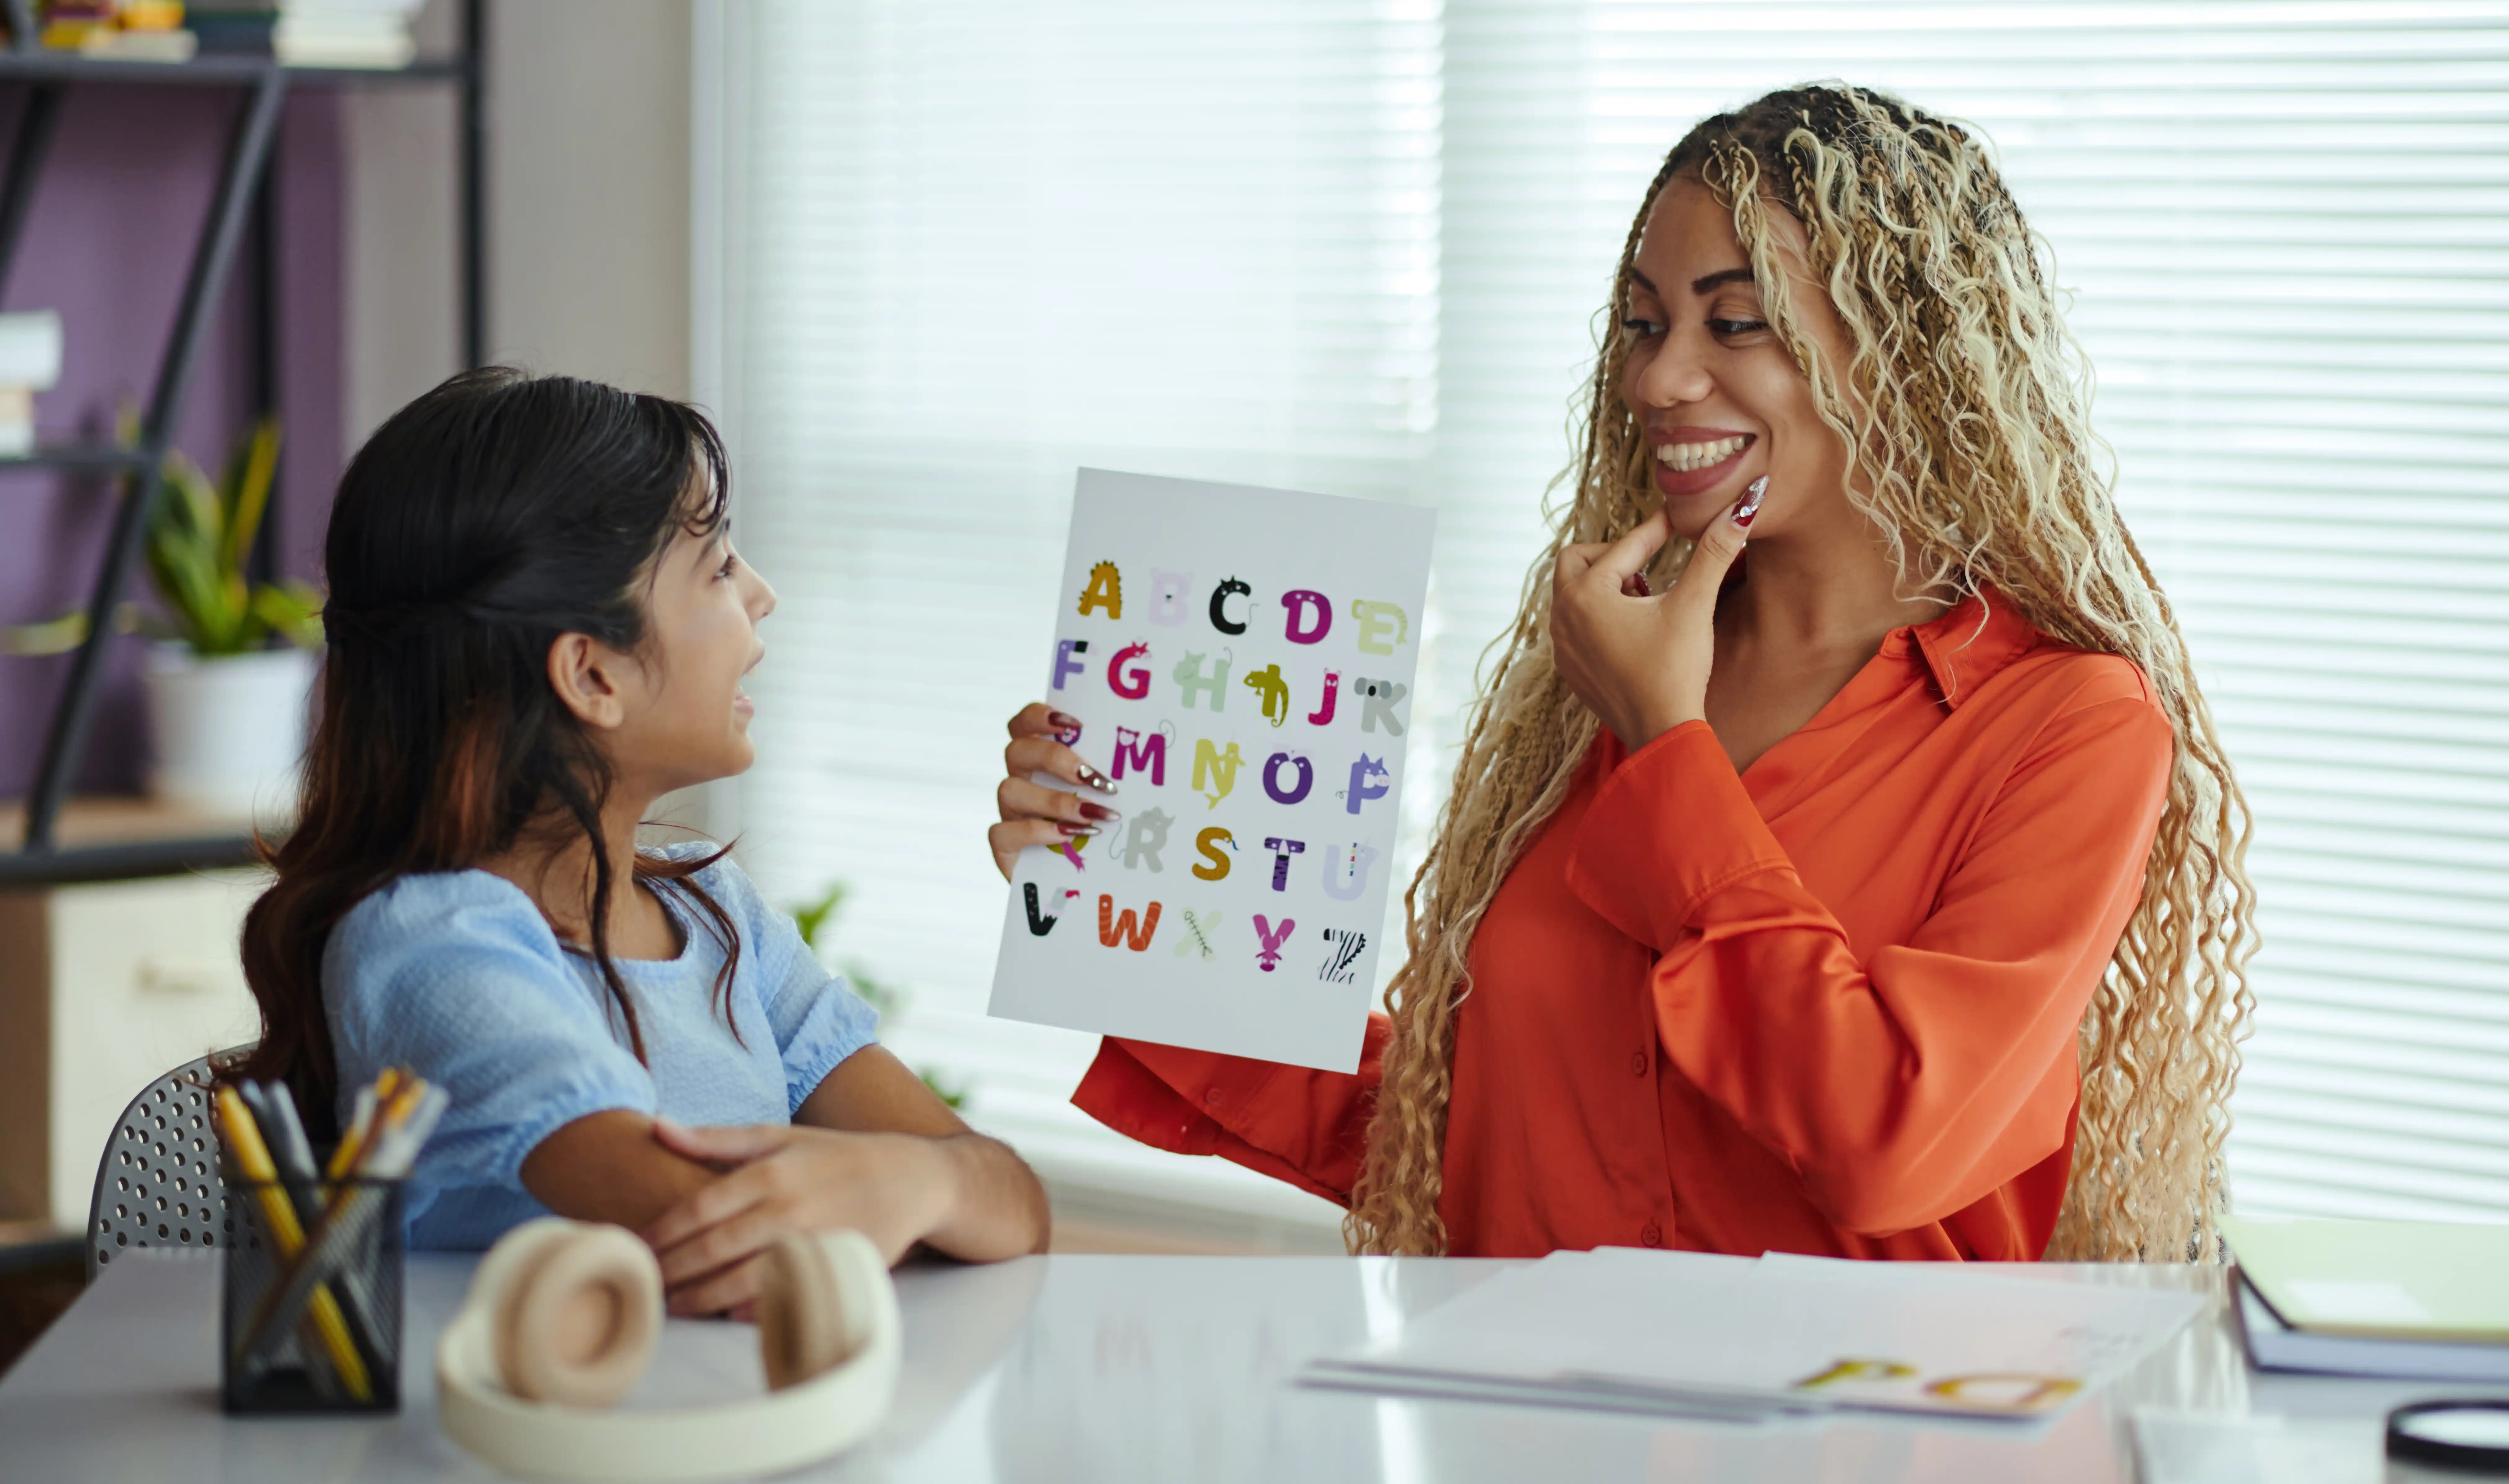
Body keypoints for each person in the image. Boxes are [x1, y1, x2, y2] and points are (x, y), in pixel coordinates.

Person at [989, 84, 2256, 1262]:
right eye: (1643, 325)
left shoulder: (2065, 726)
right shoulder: (1591, 690)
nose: (1657, 379)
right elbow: (1466, 1129)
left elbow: (1892, 1139)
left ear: (1908, 356)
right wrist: (1131, 906)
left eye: (1733, 322)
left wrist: (1667, 751)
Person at [240, 368, 1047, 1314]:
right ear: (591, 673)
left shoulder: (716, 920)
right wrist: (892, 1187)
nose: (763, 593)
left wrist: (928, 1184)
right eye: (716, 567)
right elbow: (724, 1239)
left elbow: (1014, 1202)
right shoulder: (428, 945)